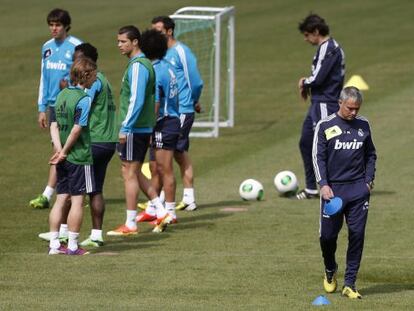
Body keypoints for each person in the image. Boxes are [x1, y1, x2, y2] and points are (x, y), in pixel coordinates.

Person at [107, 25, 171, 236]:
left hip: (134, 128)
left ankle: (131, 224)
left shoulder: (138, 67)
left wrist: (125, 127)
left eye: (123, 41)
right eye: (118, 41)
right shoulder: (142, 64)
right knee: (130, 171)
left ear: (135, 42)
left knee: (129, 174)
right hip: (139, 127)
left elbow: (136, 99)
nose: (119, 45)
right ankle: (161, 211)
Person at [312, 86, 376, 299]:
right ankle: (330, 268)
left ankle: (350, 283)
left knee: (357, 235)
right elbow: (318, 157)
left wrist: (368, 181)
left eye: (357, 108)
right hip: (333, 192)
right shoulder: (325, 125)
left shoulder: (363, 125)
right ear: (340, 103)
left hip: (358, 190)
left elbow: (371, 155)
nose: (354, 112)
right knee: (327, 237)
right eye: (350, 108)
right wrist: (323, 184)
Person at [30, 9, 83, 212]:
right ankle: (74, 189)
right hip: (53, 106)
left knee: (60, 150)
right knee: (62, 150)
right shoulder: (47, 47)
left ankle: (48, 194)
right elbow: (44, 78)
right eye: (51, 24)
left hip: (69, 104)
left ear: (66, 26)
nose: (54, 28)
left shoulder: (76, 46)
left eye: (58, 25)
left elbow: (85, 75)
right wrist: (42, 108)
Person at [151, 16, 203, 212]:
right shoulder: (162, 54)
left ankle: (175, 199)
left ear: (170, 31)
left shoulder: (181, 51)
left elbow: (195, 81)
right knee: (176, 153)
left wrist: (193, 100)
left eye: (158, 30)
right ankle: (172, 199)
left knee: (173, 153)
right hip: (170, 111)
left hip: (181, 109)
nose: (155, 33)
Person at [48, 57, 97, 255]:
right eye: (93, 75)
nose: (95, 79)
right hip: (78, 156)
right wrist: (66, 151)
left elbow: (54, 126)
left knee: (60, 200)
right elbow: (77, 130)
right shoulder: (84, 99)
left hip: (62, 157)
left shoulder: (60, 95)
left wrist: (59, 151)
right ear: (85, 75)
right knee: (77, 201)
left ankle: (54, 245)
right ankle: (73, 246)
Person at [296, 13, 345, 200]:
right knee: (306, 142)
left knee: (328, 146)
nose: (306, 39)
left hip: (326, 103)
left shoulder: (329, 48)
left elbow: (318, 77)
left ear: (316, 32)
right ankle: (311, 188)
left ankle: (338, 185)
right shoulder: (327, 47)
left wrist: (303, 82)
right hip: (317, 104)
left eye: (307, 35)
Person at [136, 30, 180, 227]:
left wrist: (148, 130)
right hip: (169, 120)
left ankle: (170, 212)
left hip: (163, 123)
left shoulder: (154, 72)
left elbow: (155, 104)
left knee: (165, 169)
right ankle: (153, 210)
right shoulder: (167, 66)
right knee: (155, 168)